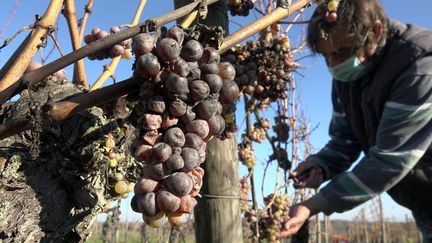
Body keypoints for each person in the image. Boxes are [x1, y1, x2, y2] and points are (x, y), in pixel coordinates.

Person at [279, 0, 432, 241]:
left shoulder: (420, 66)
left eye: (341, 51)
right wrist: (321, 164)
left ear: (375, 31)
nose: (333, 64)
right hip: (425, 202)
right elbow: (345, 138)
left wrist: (313, 205)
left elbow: (389, 160)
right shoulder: (346, 77)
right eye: (325, 55)